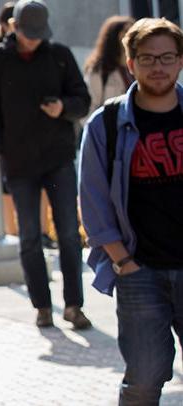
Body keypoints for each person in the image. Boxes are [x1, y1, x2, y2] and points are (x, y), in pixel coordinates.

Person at [80, 18, 183, 405]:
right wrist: (122, 262)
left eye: (167, 57)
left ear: (180, 61)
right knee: (144, 379)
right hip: (140, 271)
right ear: (131, 63)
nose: (158, 66)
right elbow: (92, 200)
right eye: (148, 58)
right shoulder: (106, 124)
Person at [0, 0, 92, 329]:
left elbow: (82, 100)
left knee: (69, 233)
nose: (32, 40)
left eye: (38, 35)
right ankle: (41, 305)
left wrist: (63, 109)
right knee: (29, 236)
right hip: (20, 162)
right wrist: (4, 147)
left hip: (58, 157)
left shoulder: (59, 55)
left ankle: (73, 305)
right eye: (28, 34)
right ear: (14, 27)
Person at [87, 16, 137, 115]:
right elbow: (90, 108)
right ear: (114, 36)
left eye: (133, 30)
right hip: (110, 127)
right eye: (126, 30)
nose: (131, 35)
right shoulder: (99, 70)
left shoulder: (139, 66)